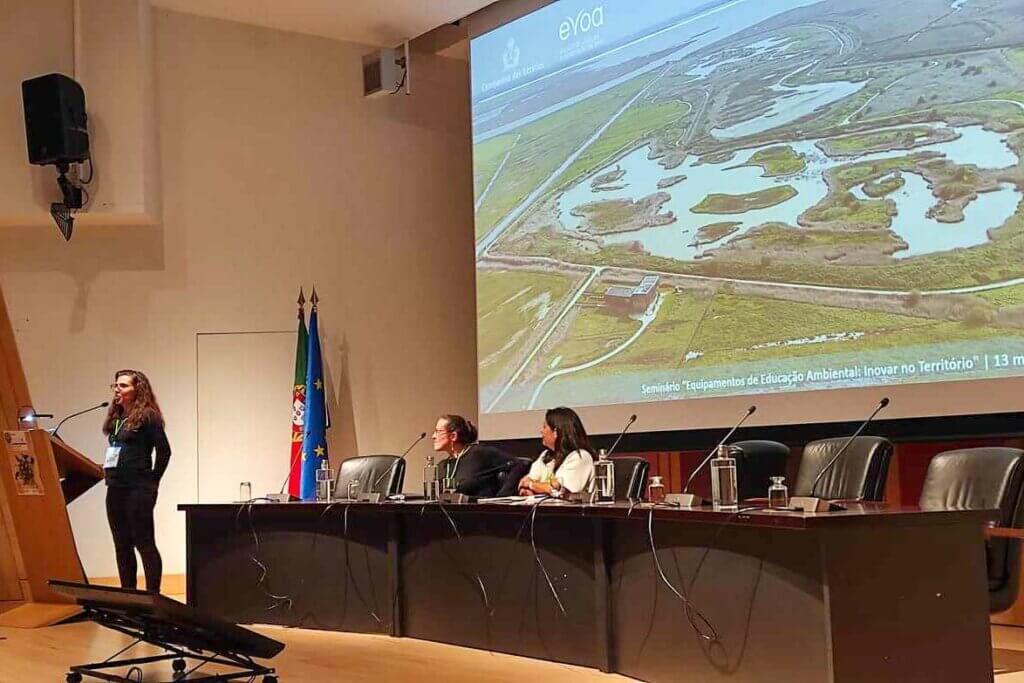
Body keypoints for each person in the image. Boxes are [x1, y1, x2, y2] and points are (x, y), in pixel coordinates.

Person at [101, 369, 171, 593]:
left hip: (138, 489)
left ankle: (153, 596)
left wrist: (153, 481)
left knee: (144, 543)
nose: (117, 389)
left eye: (123, 386)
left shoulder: (149, 417)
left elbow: (164, 452)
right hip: (115, 488)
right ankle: (128, 595)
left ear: (137, 389)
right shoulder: (117, 418)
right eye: (115, 385)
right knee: (122, 545)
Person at [518, 407, 595, 497]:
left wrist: (532, 485)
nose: (541, 431)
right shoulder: (545, 456)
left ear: (556, 432)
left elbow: (560, 491)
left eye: (544, 427)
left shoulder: (580, 457)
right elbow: (524, 483)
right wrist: (532, 488)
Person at [431, 414, 513, 498]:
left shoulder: (479, 454)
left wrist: (503, 496)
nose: (433, 436)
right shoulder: (441, 466)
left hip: (480, 506)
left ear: (453, 436)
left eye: (438, 431)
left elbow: (518, 464)